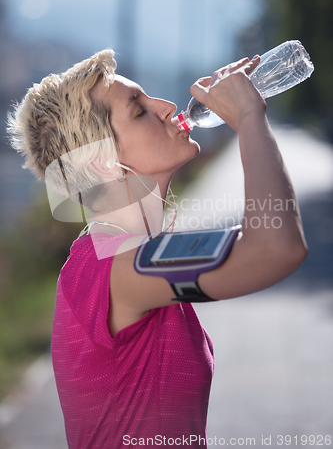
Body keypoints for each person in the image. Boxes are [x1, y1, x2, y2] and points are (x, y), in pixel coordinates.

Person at [7, 49, 307, 448]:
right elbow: (274, 249)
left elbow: (261, 240)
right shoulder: (113, 268)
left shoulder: (125, 255)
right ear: (104, 163)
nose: (166, 107)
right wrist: (249, 119)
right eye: (139, 110)